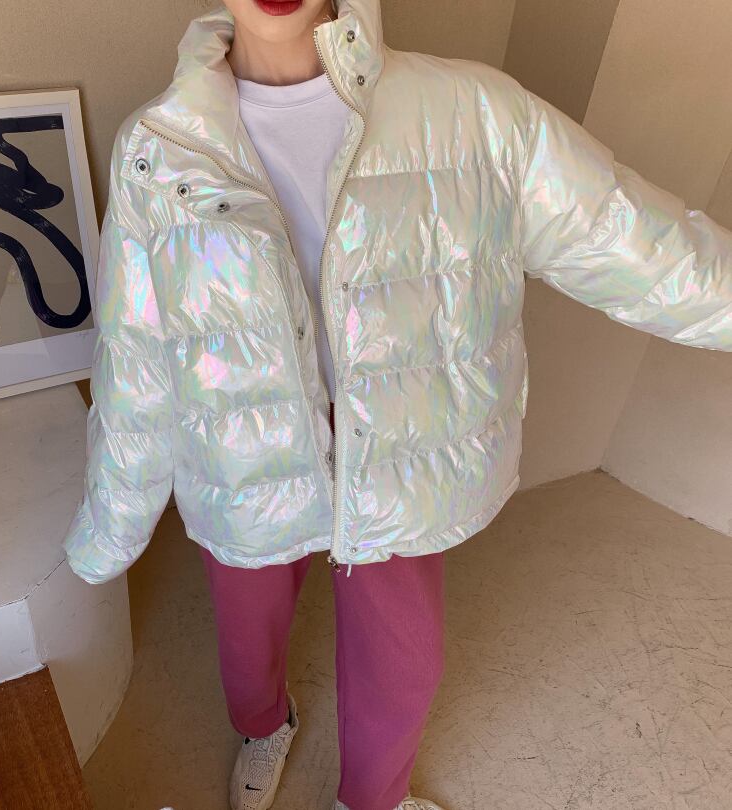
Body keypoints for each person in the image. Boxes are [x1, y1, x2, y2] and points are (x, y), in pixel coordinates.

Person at [62, 0, 732, 808]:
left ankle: (370, 799)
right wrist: (112, 520)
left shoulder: (474, 114)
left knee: (403, 656)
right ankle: (264, 722)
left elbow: (634, 239)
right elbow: (134, 350)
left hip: (400, 436)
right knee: (245, 627)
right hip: (242, 443)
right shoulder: (157, 148)